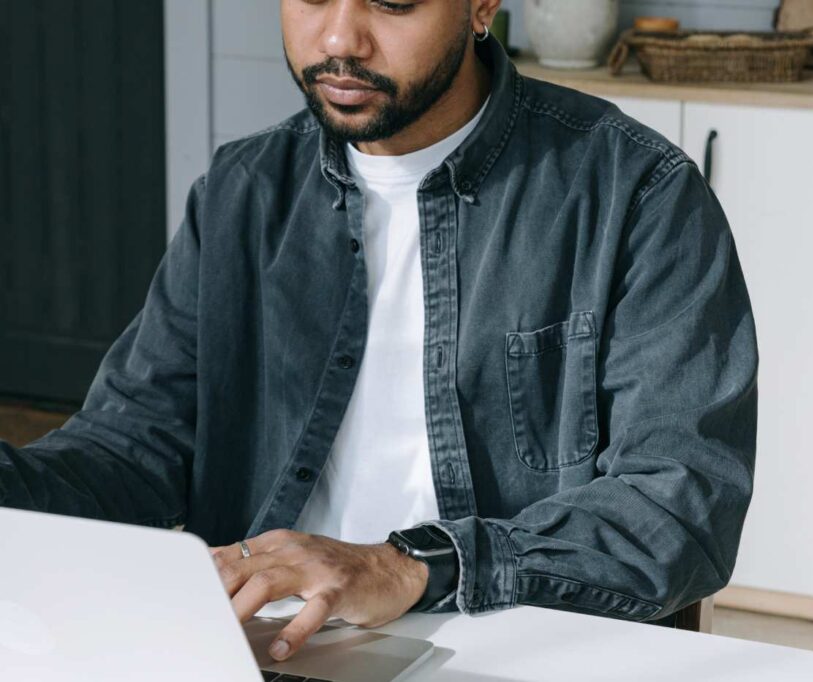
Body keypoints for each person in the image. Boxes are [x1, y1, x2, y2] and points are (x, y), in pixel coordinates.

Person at [0, 0, 758, 663]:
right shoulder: (243, 192)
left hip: (516, 642)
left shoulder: (635, 193)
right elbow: (128, 450)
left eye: (392, 3)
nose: (339, 39)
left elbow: (679, 507)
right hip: (270, 647)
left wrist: (407, 566)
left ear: (481, 5)